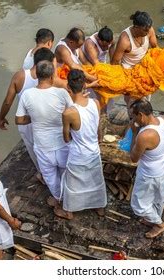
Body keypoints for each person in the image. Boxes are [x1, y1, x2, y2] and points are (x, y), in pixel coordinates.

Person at [0, 48, 63, 185]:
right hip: (47, 120)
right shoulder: (53, 80)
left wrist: (1, 117)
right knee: (52, 148)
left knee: (35, 151)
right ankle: (57, 176)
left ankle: (45, 175)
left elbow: (8, 101)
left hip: (27, 122)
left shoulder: (20, 76)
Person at [15, 60, 73, 206]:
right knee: (66, 172)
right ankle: (70, 199)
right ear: (53, 76)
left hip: (42, 144)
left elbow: (19, 120)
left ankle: (59, 198)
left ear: (37, 76)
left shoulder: (27, 95)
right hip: (63, 141)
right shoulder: (62, 93)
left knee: (50, 175)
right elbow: (73, 114)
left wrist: (34, 118)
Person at [57, 69, 107, 220]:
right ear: (85, 85)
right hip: (93, 151)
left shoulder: (69, 113)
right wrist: (97, 138)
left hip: (78, 154)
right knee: (96, 179)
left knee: (73, 184)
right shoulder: (95, 103)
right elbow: (98, 127)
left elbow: (66, 138)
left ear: (69, 89)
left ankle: (69, 211)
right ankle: (99, 207)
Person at [129, 99, 164, 238]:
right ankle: (153, 219)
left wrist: (134, 132)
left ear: (141, 115)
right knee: (158, 198)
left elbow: (133, 158)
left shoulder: (145, 135)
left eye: (133, 116)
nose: (133, 119)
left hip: (150, 173)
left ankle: (159, 224)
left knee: (139, 204)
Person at [111, 11, 158, 106]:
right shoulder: (125, 40)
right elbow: (115, 63)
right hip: (129, 71)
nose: (147, 32)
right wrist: (122, 82)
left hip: (144, 67)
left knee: (147, 97)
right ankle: (132, 118)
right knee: (133, 102)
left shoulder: (149, 30)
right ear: (136, 27)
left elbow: (155, 48)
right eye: (145, 30)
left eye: (148, 29)